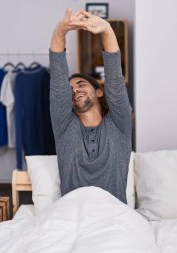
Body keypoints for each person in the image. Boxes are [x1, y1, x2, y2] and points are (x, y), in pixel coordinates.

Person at [49, 9, 131, 204]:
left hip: (114, 217)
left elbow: (115, 82)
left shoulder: (119, 126)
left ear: (99, 92)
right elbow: (58, 81)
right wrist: (60, 31)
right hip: (72, 216)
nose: (75, 90)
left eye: (81, 84)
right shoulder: (64, 128)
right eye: (70, 89)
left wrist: (107, 30)